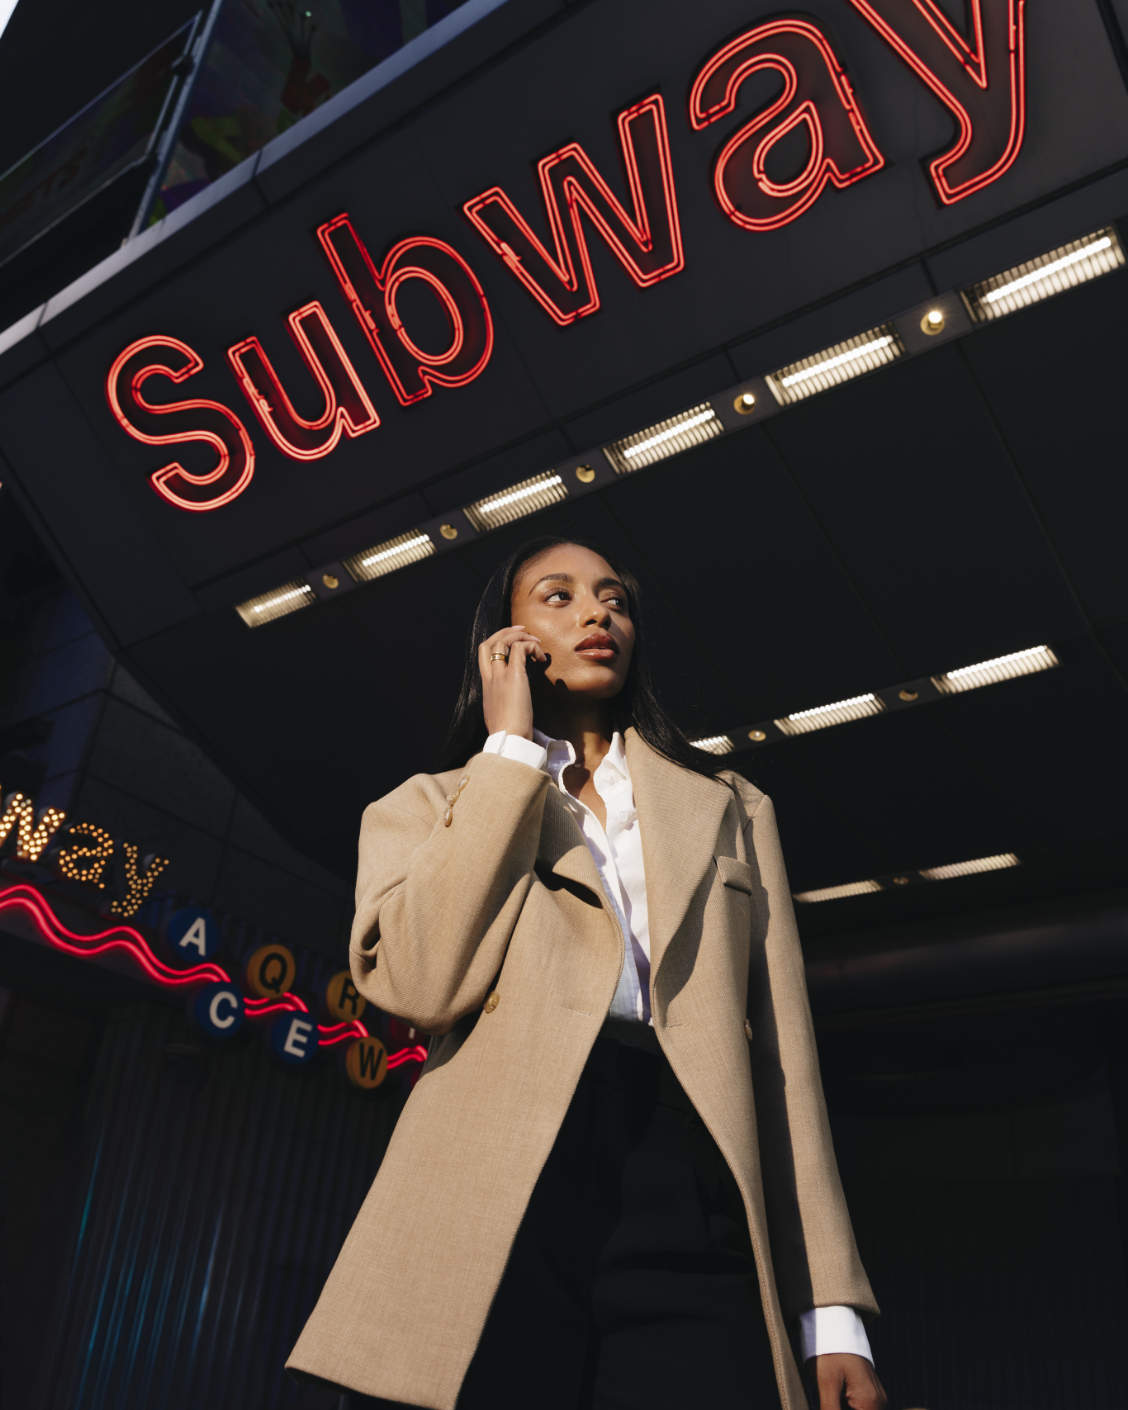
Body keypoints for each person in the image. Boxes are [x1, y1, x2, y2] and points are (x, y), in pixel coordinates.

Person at [287, 536, 886, 1410]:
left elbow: (784, 1063)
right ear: (504, 642)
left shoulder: (730, 806)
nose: (598, 613)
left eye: (614, 598)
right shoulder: (424, 806)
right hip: (496, 1191)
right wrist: (508, 754)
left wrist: (831, 1313)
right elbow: (414, 986)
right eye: (558, 596)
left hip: (689, 1175)